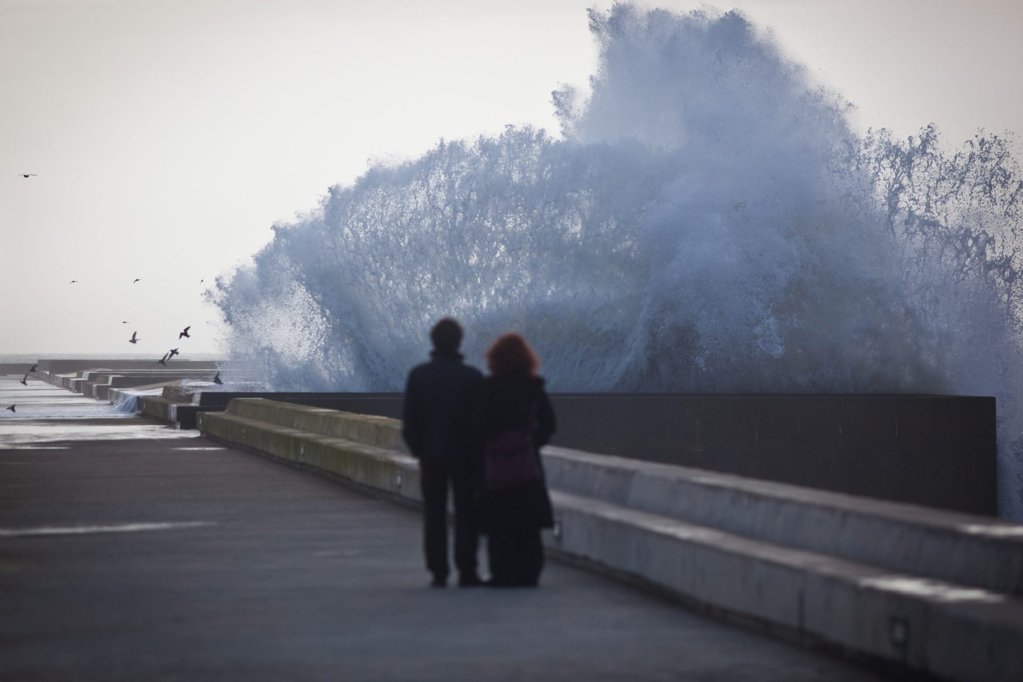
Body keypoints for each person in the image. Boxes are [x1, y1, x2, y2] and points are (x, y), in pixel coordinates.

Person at [402, 318, 485, 588]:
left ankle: (438, 572)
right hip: (465, 457)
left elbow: (410, 422)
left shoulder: (419, 375)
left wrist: (420, 450)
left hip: (432, 455)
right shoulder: (472, 377)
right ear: (459, 342)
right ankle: (467, 570)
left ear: (433, 341)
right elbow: (479, 422)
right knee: (467, 512)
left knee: (434, 513)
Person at [474, 333, 556, 587]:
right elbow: (549, 424)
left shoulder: (488, 388)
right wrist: (529, 445)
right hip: (526, 464)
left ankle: (502, 573)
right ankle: (530, 572)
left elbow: (476, 426)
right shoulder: (534, 387)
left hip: (496, 463)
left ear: (495, 359)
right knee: (528, 522)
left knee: (500, 521)